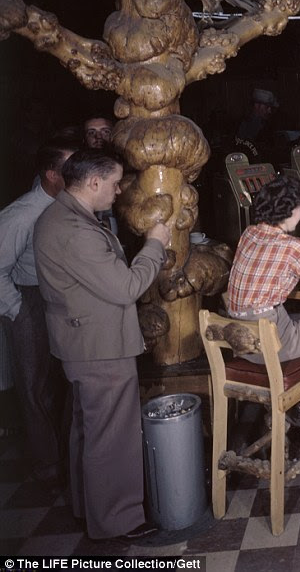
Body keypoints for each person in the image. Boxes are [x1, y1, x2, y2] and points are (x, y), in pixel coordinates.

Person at [33, 149, 170, 541]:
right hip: (100, 347)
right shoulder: (75, 231)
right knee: (112, 435)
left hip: (80, 341)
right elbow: (126, 288)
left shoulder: (61, 216)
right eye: (114, 183)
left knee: (88, 430)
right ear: (93, 182)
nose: (118, 189)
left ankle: (88, 508)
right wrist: (155, 244)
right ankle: (118, 521)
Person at [0, 139, 75, 484]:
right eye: (69, 168)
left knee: (58, 382)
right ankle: (48, 464)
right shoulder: (22, 214)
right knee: (34, 387)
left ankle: (64, 457)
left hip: (54, 297)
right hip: (27, 299)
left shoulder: (65, 206)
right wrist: (18, 310)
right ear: (50, 174)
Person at [227, 175, 300, 361]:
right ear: (289, 211)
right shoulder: (294, 247)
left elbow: (269, 271)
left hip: (241, 342)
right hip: (273, 345)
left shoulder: (249, 233)